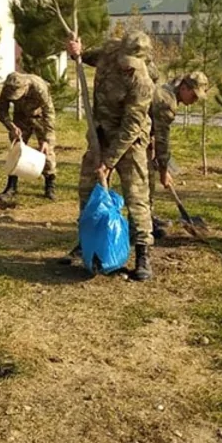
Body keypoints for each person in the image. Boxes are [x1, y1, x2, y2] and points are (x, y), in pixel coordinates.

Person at [64, 31, 156, 281]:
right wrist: (75, 52)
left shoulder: (143, 83)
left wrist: (109, 161)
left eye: (132, 63)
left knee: (136, 196)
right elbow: (85, 57)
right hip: (100, 133)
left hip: (130, 141)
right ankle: (87, 242)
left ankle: (142, 253)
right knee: (87, 188)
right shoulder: (109, 52)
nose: (126, 65)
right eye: (124, 59)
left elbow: (131, 127)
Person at [148, 71, 209, 238]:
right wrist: (163, 171)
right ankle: (141, 225)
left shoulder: (169, 90)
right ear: (183, 88)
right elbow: (163, 139)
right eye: (194, 96)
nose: (194, 101)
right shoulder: (167, 102)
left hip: (143, 136)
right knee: (144, 181)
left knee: (146, 180)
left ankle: (146, 218)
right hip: (127, 135)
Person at [0, 71, 57, 201]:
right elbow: (1, 110)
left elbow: (49, 112)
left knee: (48, 151)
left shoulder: (39, 86)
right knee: (16, 149)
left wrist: (45, 139)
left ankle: (50, 186)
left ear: (26, 87)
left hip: (40, 118)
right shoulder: (7, 88)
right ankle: (11, 187)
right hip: (20, 116)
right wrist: (11, 126)